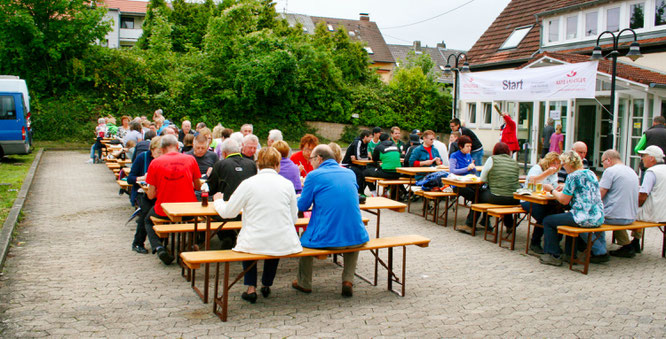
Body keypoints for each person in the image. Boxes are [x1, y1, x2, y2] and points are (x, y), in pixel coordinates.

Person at [213, 147, 302, 303]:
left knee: (248, 243)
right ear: (277, 165)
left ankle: (250, 287)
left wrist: (218, 201)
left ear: (258, 164)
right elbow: (293, 218)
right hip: (282, 241)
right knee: (274, 242)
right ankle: (267, 284)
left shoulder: (248, 184)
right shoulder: (287, 185)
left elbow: (228, 213)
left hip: (254, 240)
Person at [292, 145, 369, 297]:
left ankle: (304, 282)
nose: (311, 162)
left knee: (303, 239)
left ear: (319, 158)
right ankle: (347, 280)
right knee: (352, 234)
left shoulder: (314, 175)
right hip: (357, 236)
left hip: (326, 238)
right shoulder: (349, 173)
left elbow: (302, 205)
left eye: (312, 159)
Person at [540, 150, 606, 266]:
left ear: (569, 164)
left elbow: (563, 201)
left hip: (583, 217)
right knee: (568, 220)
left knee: (548, 220)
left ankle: (553, 254)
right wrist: (565, 187)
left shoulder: (572, 176)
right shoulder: (591, 173)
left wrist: (551, 190)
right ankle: (570, 254)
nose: (563, 167)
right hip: (598, 216)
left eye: (563, 164)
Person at [144, 135, 201, 265]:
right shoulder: (190, 159)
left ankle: (158, 248)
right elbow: (198, 186)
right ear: (177, 146)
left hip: (164, 211)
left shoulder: (155, 163)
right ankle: (190, 245)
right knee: (198, 219)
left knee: (147, 220)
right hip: (188, 211)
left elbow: (150, 195)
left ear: (162, 149)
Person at [610, 146, 666, 257]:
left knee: (617, 214)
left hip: (654, 214)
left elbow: (643, 195)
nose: (641, 159)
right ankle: (636, 241)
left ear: (652, 158)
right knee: (635, 211)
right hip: (664, 212)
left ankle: (626, 245)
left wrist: (632, 205)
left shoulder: (651, 172)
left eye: (643, 156)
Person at [458, 142, 521, 234]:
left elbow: (483, 178)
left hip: (497, 197)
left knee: (478, 196)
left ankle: (470, 225)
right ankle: (509, 225)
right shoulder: (514, 162)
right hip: (514, 198)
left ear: (495, 150)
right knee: (505, 197)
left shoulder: (492, 159)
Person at [207, 139, 258, 249]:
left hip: (227, 210)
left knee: (216, 207)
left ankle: (227, 236)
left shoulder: (220, 164)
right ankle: (234, 236)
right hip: (247, 209)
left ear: (224, 153)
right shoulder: (252, 164)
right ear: (239, 150)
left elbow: (210, 189)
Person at [596, 150, 640, 258]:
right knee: (617, 211)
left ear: (609, 160)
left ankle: (596, 250)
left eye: (602, 162)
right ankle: (628, 245)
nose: (603, 166)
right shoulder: (631, 170)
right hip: (632, 216)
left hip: (615, 217)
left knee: (590, 217)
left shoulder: (610, 171)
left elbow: (600, 193)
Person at [520, 152, 562, 254]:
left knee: (558, 212)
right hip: (529, 199)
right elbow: (533, 181)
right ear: (548, 162)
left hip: (545, 199)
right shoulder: (537, 168)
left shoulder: (554, 173)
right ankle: (535, 242)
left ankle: (554, 243)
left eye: (557, 164)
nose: (555, 166)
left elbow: (554, 185)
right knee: (544, 217)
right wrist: (547, 172)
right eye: (553, 163)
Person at [127, 136, 162, 254]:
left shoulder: (163, 161)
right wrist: (142, 178)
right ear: (152, 150)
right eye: (158, 152)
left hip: (159, 193)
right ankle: (138, 242)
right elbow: (130, 178)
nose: (161, 155)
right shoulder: (143, 158)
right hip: (142, 193)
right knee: (146, 212)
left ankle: (160, 243)